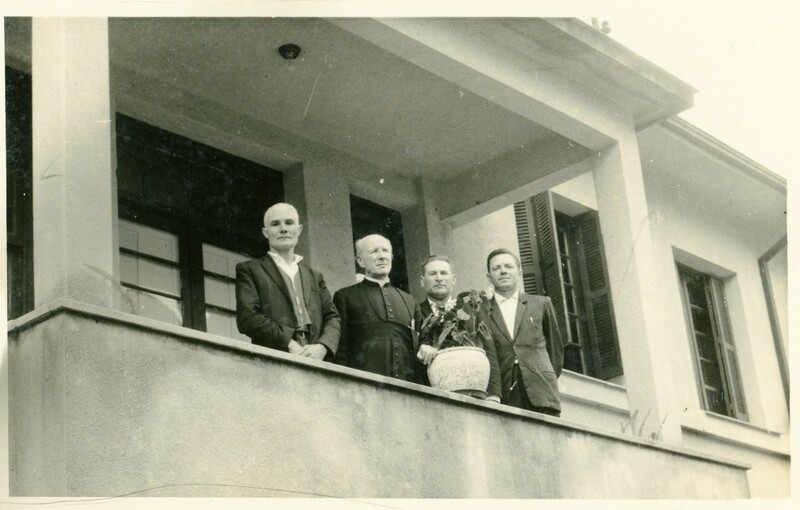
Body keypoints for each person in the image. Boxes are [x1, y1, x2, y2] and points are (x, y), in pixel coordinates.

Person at [236, 203, 340, 360]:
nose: (283, 228)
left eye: (289, 223)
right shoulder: (250, 270)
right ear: (265, 232)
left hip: (316, 358)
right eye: (275, 224)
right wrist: (288, 343)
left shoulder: (315, 276)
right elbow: (248, 318)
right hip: (273, 359)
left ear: (298, 230)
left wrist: (322, 347)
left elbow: (333, 317)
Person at [483, 248, 564, 416]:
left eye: (508, 266)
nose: (503, 271)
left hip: (542, 391)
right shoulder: (482, 311)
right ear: (489, 277)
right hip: (506, 393)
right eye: (496, 268)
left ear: (519, 272)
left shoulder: (541, 304)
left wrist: (542, 376)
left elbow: (556, 352)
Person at [333, 234, 422, 382]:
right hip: (363, 384)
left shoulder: (410, 301)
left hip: (406, 384)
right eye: (374, 251)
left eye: (385, 251)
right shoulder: (345, 296)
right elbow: (341, 349)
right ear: (360, 261)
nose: (382, 256)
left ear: (391, 257)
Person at [417, 255, 502, 402]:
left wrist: (494, 395)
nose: (439, 278)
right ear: (422, 281)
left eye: (444, 273)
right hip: (431, 397)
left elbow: (489, 351)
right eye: (432, 274)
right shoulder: (415, 312)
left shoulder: (472, 311)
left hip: (474, 395)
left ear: (454, 279)